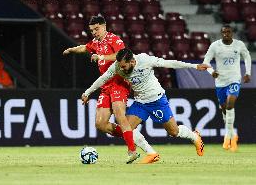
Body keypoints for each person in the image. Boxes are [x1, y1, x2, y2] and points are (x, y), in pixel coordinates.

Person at [82, 48, 210, 159]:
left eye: (124, 66)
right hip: (140, 103)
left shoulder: (144, 60)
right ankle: (151, 153)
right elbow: (103, 78)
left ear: (132, 61)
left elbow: (169, 63)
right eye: (120, 66)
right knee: (126, 129)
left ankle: (194, 137)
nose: (121, 69)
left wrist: (194, 66)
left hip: (157, 100)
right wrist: (87, 92)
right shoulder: (117, 66)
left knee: (174, 132)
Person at [63, 16, 158, 164]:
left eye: (96, 29)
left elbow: (120, 56)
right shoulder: (95, 42)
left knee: (120, 116)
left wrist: (101, 56)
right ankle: (135, 137)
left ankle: (132, 151)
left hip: (119, 83)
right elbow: (84, 47)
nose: (94, 32)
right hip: (106, 86)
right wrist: (71, 49)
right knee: (100, 124)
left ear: (104, 26)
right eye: (92, 30)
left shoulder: (114, 39)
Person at [203, 24, 252, 152]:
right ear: (221, 33)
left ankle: (227, 137)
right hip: (220, 82)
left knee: (230, 105)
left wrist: (248, 73)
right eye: (224, 32)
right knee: (225, 110)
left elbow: (247, 56)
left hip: (234, 79)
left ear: (232, 33)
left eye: (228, 32)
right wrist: (211, 72)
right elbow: (206, 61)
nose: (226, 34)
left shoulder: (239, 45)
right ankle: (232, 136)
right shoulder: (215, 46)